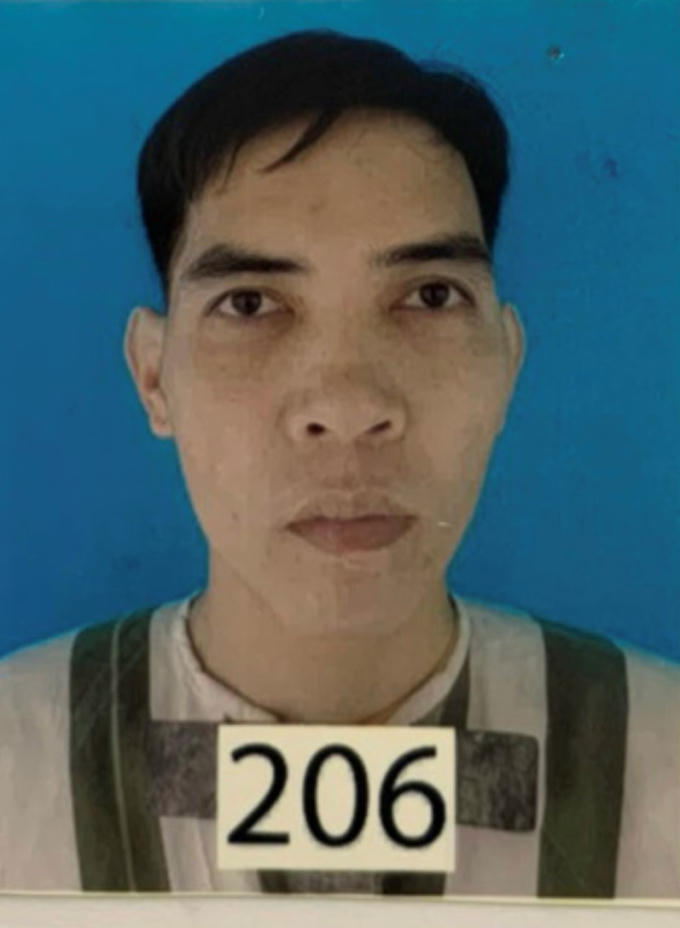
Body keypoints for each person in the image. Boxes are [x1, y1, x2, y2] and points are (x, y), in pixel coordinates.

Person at [0, 29, 678, 899]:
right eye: (251, 304)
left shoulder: (662, 766)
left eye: (429, 295)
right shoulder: (18, 767)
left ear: (508, 364)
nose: (349, 405)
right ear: (154, 378)